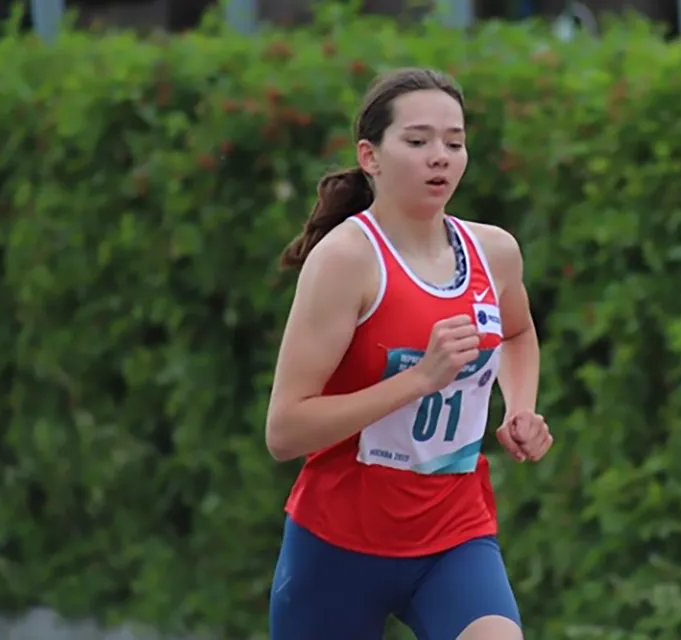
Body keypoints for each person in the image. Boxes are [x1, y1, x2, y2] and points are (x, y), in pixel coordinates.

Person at [264, 67, 553, 640]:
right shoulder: (345, 261)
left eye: (455, 142)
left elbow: (517, 334)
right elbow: (285, 431)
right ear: (370, 156)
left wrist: (520, 407)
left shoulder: (495, 252)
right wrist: (418, 379)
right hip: (338, 546)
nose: (440, 157)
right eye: (418, 141)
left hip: (454, 537)